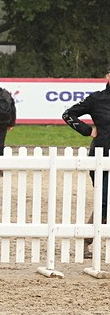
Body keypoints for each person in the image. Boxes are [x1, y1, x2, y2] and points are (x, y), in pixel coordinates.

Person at [62, 69, 110, 252]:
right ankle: (87, 241)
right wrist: (88, 131)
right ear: (107, 76)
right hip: (101, 156)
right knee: (105, 200)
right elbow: (68, 114)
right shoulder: (96, 99)